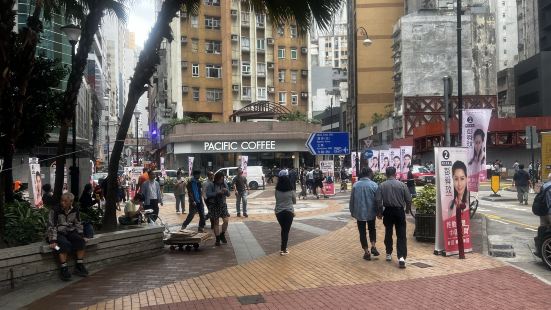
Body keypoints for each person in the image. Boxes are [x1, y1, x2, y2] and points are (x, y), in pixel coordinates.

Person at [47, 192, 88, 281]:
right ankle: (63, 268)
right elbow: (51, 226)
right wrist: (53, 241)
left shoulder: (75, 209)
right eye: (62, 200)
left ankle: (79, 265)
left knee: (81, 241)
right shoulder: (55, 210)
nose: (62, 203)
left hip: (70, 231)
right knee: (62, 245)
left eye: (65, 201)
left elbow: (78, 223)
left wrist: (82, 235)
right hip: (57, 233)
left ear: (71, 202)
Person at [376, 167, 412, 269]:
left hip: (388, 211)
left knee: (388, 232)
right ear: (395, 174)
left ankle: (388, 253)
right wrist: (407, 210)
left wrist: (379, 213)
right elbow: (408, 199)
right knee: (401, 234)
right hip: (399, 211)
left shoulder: (382, 185)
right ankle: (401, 257)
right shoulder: (402, 185)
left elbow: (378, 201)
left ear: (386, 175)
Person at [350, 167, 380, 261]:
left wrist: (352, 211)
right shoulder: (374, 185)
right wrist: (379, 212)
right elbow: (378, 200)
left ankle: (366, 252)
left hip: (359, 213)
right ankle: (373, 246)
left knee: (362, 232)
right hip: (371, 212)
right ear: (369, 174)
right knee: (372, 229)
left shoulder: (355, 185)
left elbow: (352, 200)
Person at [207, 171, 231, 246]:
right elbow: (208, 194)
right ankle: (217, 238)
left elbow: (229, 194)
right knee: (216, 222)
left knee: (226, 221)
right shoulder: (211, 184)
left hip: (223, 204)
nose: (221, 181)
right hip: (215, 205)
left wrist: (226, 191)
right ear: (216, 178)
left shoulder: (224, 183)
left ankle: (222, 234)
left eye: (222, 179)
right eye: (220, 179)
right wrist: (217, 193)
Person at [275, 174, 296, 255]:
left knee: (283, 229)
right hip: (289, 212)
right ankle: (283, 249)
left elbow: (277, 200)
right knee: (285, 231)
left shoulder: (276, 191)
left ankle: (283, 248)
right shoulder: (291, 191)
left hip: (279, 212)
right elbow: (294, 201)